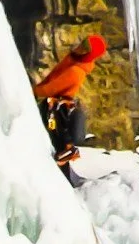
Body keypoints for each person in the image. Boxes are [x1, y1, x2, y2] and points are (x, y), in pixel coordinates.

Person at [32, 33, 106, 180]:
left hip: (54, 111)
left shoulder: (75, 71)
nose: (80, 47)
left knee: (54, 144)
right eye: (83, 42)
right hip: (55, 107)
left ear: (89, 54)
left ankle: (59, 179)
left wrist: (28, 90)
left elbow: (49, 90)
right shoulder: (74, 62)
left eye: (85, 47)